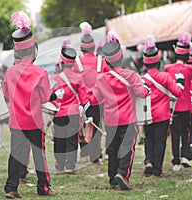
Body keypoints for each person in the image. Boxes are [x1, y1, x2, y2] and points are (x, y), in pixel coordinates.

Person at [3, 11, 61, 198]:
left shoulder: (10, 72)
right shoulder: (40, 73)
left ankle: (11, 187)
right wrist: (55, 95)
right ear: (33, 50)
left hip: (15, 122)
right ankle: (43, 188)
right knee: (39, 155)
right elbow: (45, 97)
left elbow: (6, 93)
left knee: (15, 155)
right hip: (34, 122)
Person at [91, 30, 150, 190]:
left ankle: (112, 179)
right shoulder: (131, 75)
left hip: (110, 120)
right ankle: (122, 173)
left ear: (106, 62)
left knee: (112, 149)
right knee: (127, 148)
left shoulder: (101, 78)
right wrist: (147, 88)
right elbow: (142, 93)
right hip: (128, 119)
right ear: (121, 57)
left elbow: (94, 100)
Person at [141, 34, 183, 177]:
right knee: (160, 141)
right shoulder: (165, 76)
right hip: (162, 115)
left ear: (145, 64)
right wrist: (180, 82)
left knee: (148, 138)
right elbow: (177, 93)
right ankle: (157, 168)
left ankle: (148, 161)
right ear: (158, 62)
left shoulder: (142, 79)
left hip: (147, 114)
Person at [51, 40, 90, 174]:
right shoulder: (78, 78)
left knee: (59, 140)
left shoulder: (55, 78)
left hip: (58, 113)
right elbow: (84, 98)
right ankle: (70, 165)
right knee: (72, 140)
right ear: (73, 63)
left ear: (61, 63)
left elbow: (49, 97)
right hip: (73, 113)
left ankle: (60, 164)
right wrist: (87, 112)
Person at [73, 22, 109, 164]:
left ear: (81, 48)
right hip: (98, 100)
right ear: (94, 47)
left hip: (81, 101)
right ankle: (95, 155)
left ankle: (84, 153)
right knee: (96, 126)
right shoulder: (102, 62)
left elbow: (73, 82)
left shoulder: (77, 63)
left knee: (82, 127)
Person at [165, 32, 192, 171]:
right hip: (186, 106)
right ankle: (185, 155)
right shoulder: (190, 68)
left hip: (173, 105)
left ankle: (176, 161)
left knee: (174, 133)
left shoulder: (168, 68)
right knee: (185, 131)